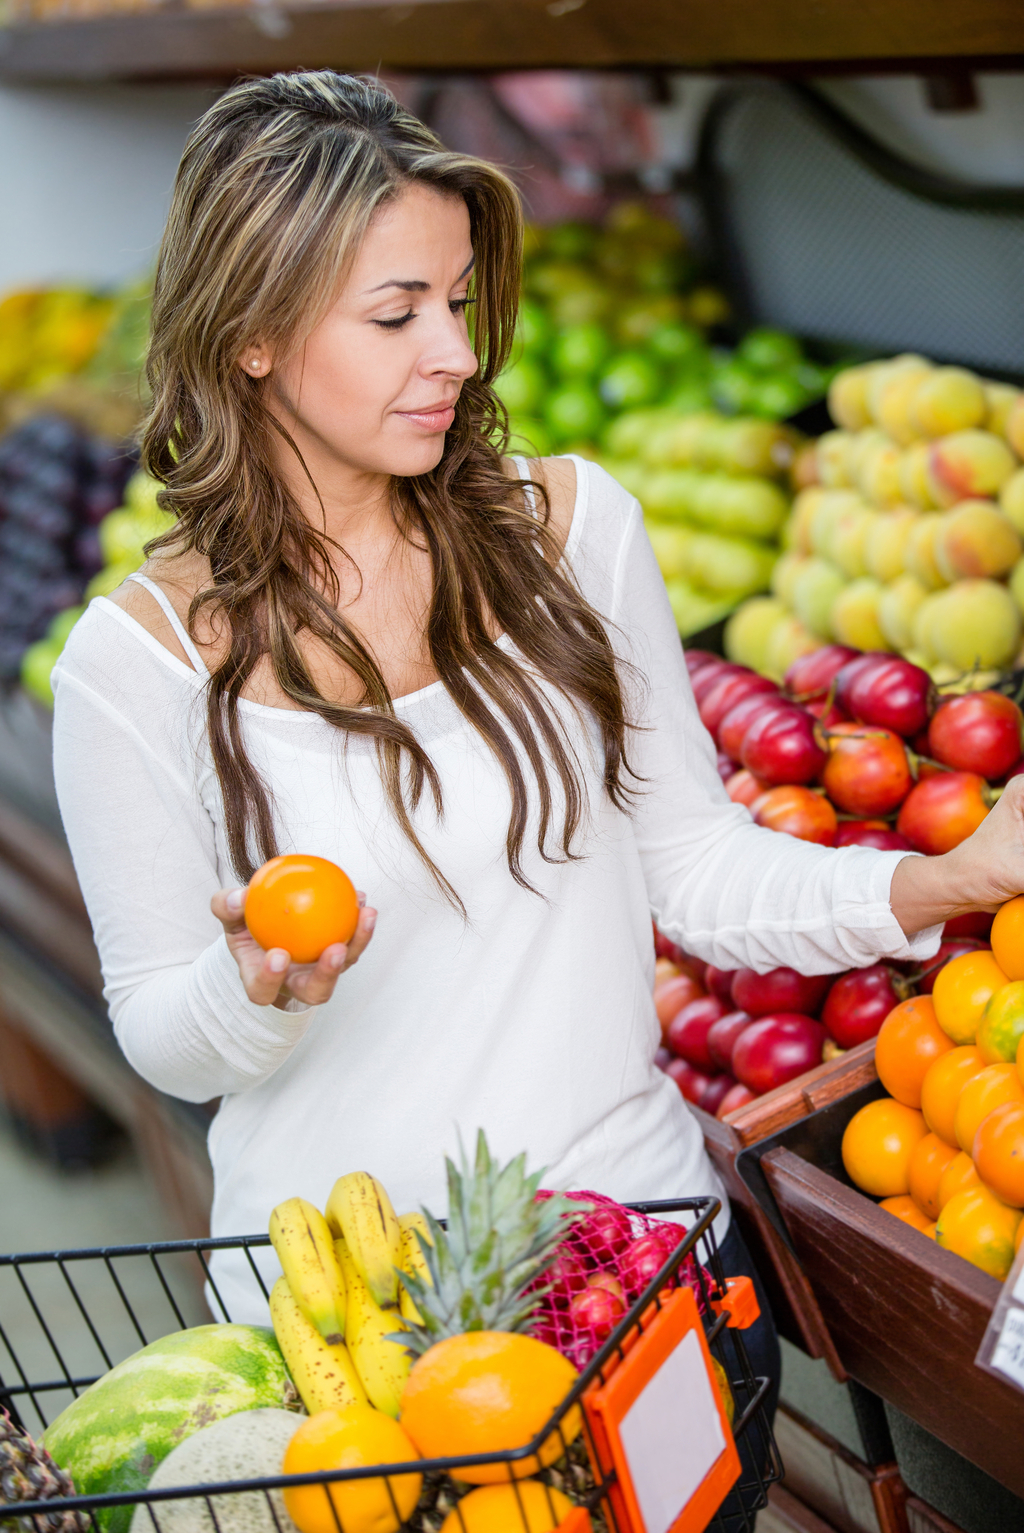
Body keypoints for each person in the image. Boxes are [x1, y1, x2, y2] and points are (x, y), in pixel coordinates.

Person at [51, 72, 1023, 1360]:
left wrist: (945, 879)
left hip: (639, 1259)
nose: (453, 352)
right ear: (253, 334)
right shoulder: (139, 663)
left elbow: (696, 869)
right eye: (396, 315)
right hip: (359, 1339)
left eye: (454, 303)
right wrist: (256, 986)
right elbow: (167, 1038)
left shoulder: (572, 534)